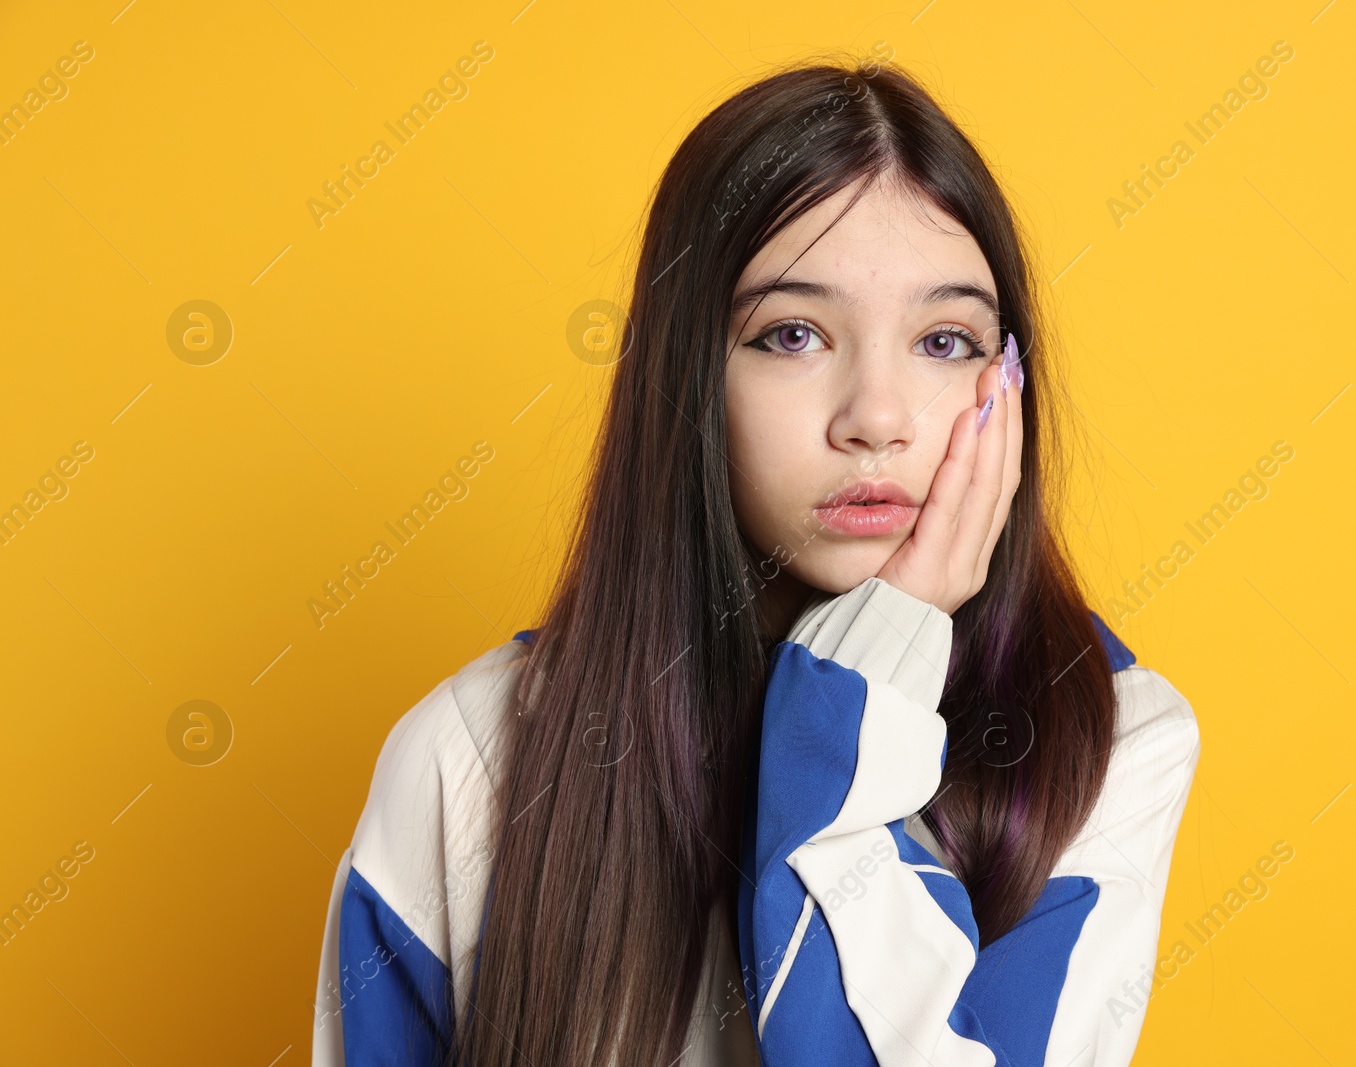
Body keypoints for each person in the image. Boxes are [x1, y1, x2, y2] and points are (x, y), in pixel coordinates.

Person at [312, 55, 1199, 1067]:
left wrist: (858, 692)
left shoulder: (1110, 739)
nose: (876, 415)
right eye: (791, 333)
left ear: (1008, 383)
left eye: (945, 341)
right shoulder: (470, 752)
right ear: (688, 378)